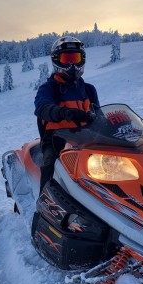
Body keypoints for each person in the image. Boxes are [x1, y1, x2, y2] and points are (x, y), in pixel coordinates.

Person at [34, 36, 100, 193]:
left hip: (85, 140)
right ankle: (44, 205)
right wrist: (62, 112)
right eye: (67, 59)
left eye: (75, 58)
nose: (72, 64)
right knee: (51, 164)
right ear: (57, 60)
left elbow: (100, 115)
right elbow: (41, 107)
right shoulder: (49, 88)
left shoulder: (89, 89)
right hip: (57, 140)